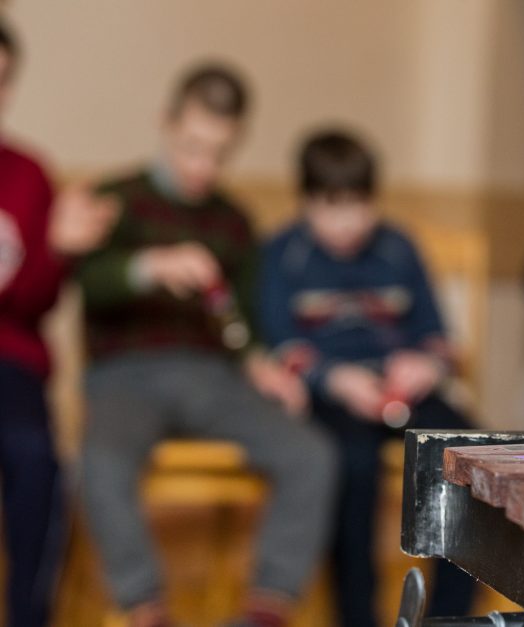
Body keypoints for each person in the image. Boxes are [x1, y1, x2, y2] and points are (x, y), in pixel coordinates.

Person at [76, 64, 338, 627]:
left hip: (216, 379)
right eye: (193, 147)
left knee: (312, 454)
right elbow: (88, 284)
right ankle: (146, 610)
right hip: (125, 376)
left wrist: (262, 366)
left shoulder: (234, 221)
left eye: (220, 154)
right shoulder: (114, 198)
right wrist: (148, 267)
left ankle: (265, 610)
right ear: (165, 124)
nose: (204, 167)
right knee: (99, 463)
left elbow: (242, 324)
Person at [260, 129, 476, 627]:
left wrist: (425, 364)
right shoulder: (282, 255)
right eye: (332, 207)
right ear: (306, 203)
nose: (348, 223)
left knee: (465, 452)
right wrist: (334, 379)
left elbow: (440, 339)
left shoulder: (399, 249)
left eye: (359, 206)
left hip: (404, 391)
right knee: (348, 467)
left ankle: (449, 617)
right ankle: (357, 615)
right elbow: (279, 346)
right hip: (332, 397)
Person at [0, 18, 117, 627]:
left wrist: (60, 252)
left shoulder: (28, 174)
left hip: (11, 360)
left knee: (37, 457)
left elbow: (36, 302)